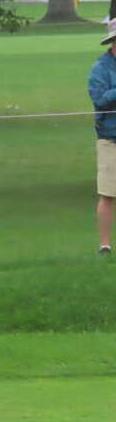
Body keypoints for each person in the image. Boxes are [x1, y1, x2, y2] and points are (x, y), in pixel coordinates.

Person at [87, 18, 116, 254]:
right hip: (110, 138)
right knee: (108, 193)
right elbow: (99, 99)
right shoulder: (100, 68)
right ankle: (105, 245)